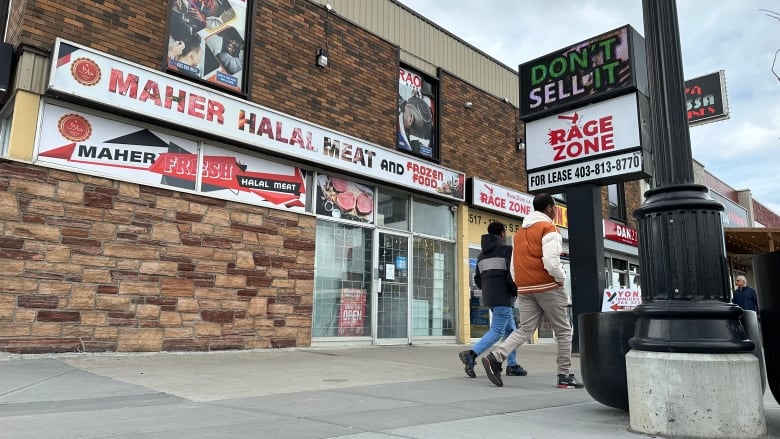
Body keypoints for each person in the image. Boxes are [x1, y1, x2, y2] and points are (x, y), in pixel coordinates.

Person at [481, 193, 584, 389]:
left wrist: (521, 284)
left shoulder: (519, 235)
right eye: (554, 208)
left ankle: (496, 357)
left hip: (525, 288)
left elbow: (514, 266)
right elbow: (551, 261)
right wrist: (561, 279)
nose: (554, 211)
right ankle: (564, 375)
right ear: (549, 209)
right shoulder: (549, 228)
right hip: (548, 286)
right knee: (563, 331)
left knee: (524, 330)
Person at [458, 222, 527, 379]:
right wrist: (515, 290)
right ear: (502, 233)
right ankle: (471, 354)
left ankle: (512, 364)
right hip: (503, 297)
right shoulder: (507, 250)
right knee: (497, 331)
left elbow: (477, 277)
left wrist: (488, 291)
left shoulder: (482, 255)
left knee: (510, 330)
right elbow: (512, 274)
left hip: (490, 298)